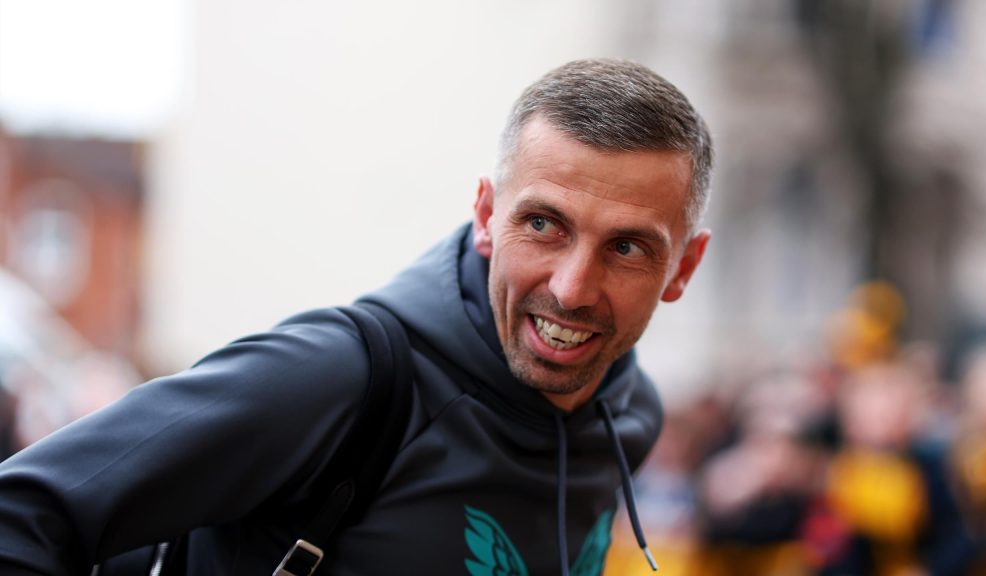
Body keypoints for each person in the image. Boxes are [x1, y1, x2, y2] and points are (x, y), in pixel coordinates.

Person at [0, 58, 713, 576]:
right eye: (543, 224)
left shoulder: (631, 414)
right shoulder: (334, 377)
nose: (572, 288)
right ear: (486, 217)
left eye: (627, 248)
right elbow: (23, 513)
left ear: (683, 268)